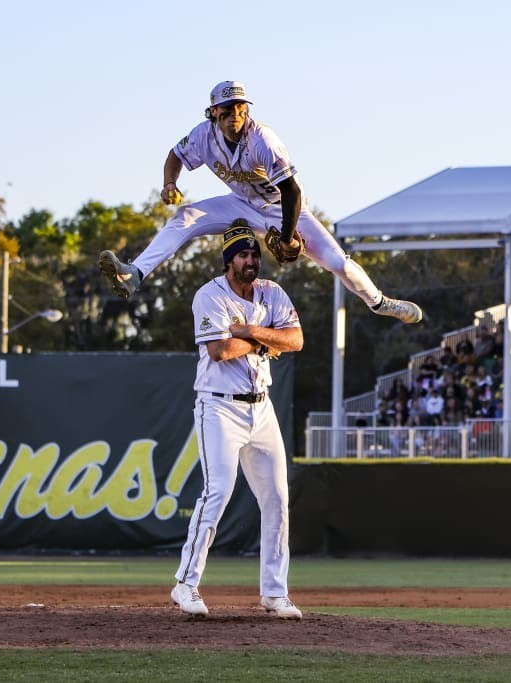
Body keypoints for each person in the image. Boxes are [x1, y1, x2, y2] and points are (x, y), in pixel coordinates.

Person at [98, 80, 423, 325]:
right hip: (239, 202)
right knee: (186, 215)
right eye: (227, 110)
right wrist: (170, 182)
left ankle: (380, 302)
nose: (235, 116)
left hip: (284, 210)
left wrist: (286, 235)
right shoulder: (202, 135)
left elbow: (292, 192)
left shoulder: (263, 140)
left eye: (241, 108)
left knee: (337, 263)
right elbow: (175, 155)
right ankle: (136, 273)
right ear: (213, 113)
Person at [171, 221, 304, 620]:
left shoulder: (271, 292)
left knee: (278, 498)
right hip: (219, 406)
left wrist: (249, 330)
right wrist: (265, 338)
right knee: (218, 492)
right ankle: (185, 584)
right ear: (229, 261)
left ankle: (275, 593)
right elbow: (220, 351)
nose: (251, 262)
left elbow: (296, 340)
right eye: (243, 255)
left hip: (261, 407)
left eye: (254, 255)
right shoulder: (209, 296)